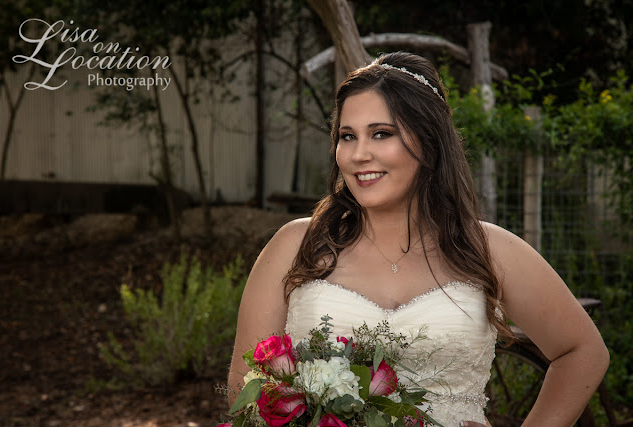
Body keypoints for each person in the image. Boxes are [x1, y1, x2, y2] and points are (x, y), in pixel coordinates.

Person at [227, 51, 609, 426]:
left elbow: (583, 351)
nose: (359, 154)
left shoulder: (489, 249)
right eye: (347, 136)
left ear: (428, 140)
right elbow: (244, 386)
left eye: (381, 134)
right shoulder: (297, 245)